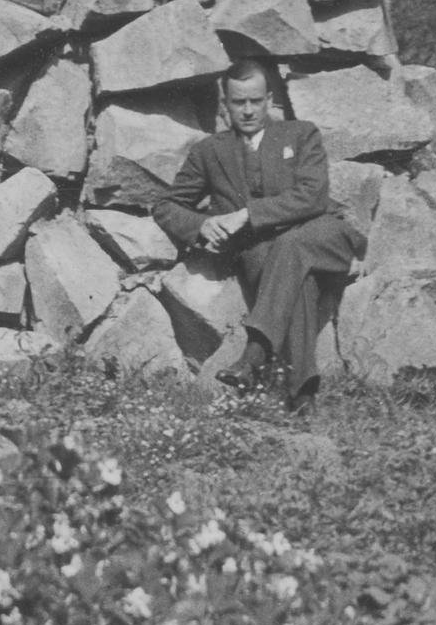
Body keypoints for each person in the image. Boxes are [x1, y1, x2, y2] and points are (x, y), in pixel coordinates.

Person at [150, 58, 357, 406]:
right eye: (238, 102)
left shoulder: (301, 134)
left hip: (325, 237)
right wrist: (201, 224)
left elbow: (313, 196)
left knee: (293, 245)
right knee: (297, 274)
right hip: (265, 255)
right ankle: (303, 395)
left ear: (270, 100)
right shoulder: (209, 152)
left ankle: (255, 352)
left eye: (255, 101)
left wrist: (245, 215)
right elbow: (166, 206)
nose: (247, 111)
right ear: (225, 104)